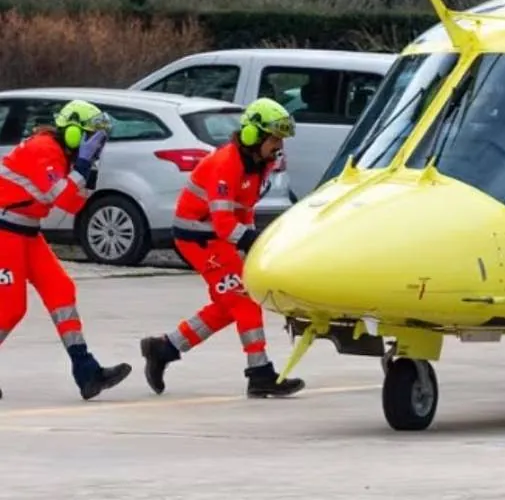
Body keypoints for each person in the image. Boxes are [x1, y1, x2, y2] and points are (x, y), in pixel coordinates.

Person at [138, 97, 305, 398]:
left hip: (214, 238)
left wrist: (251, 239)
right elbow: (224, 222)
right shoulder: (227, 163)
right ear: (254, 136)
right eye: (275, 138)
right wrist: (254, 241)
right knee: (244, 299)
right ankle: (259, 374)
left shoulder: (259, 164)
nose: (279, 146)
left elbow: (244, 212)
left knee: (229, 306)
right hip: (198, 238)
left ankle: (164, 348)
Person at [0, 99, 132, 400]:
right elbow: (59, 196)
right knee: (10, 308)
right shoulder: (43, 149)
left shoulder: (62, 156)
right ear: (72, 132)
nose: (95, 144)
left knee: (60, 290)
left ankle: (86, 370)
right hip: (4, 231)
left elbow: (73, 203)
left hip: (25, 230)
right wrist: (82, 168)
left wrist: (88, 172)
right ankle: (86, 370)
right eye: (90, 137)